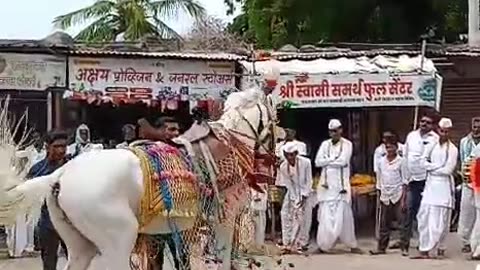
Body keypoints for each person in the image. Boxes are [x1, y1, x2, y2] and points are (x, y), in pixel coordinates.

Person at [138, 116, 188, 270]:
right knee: (154, 261)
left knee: (183, 259)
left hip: (179, 216)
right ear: (159, 131)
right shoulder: (145, 152)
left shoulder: (182, 151)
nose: (176, 133)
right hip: (155, 216)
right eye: (171, 129)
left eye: (178, 130)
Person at [412, 118, 457, 259]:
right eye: (441, 131)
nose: (443, 134)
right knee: (423, 217)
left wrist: (432, 168)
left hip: (443, 187)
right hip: (430, 186)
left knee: (441, 220)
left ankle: (440, 247)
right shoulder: (431, 144)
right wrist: (436, 168)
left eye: (446, 132)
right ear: (438, 130)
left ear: (450, 132)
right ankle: (424, 249)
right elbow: (422, 161)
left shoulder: (453, 149)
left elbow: (448, 170)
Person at [314, 119, 361, 254]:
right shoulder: (324, 144)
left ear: (341, 130)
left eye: (336, 130)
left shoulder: (347, 144)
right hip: (326, 187)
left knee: (345, 217)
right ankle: (323, 245)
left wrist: (327, 161)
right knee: (325, 216)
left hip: (341, 187)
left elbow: (343, 161)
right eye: (331, 131)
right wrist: (332, 161)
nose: (334, 133)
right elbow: (317, 162)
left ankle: (352, 245)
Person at [29, 130, 69, 270]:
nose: (61, 150)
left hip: (70, 222)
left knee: (78, 260)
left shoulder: (72, 167)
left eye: (64, 146)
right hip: (48, 223)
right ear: (47, 147)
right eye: (57, 146)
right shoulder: (37, 170)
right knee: (49, 263)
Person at [400, 114, 439, 256]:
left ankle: (423, 244)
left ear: (433, 125)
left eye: (428, 122)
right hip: (412, 180)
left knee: (424, 214)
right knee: (408, 212)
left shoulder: (435, 139)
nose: (424, 124)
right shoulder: (411, 136)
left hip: (427, 181)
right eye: (422, 121)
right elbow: (405, 158)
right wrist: (405, 180)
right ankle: (404, 244)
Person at [370, 142, 408, 255]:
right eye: (387, 147)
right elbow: (379, 179)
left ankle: (404, 247)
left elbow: (405, 181)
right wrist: (380, 193)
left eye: (391, 147)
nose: (389, 149)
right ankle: (381, 247)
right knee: (384, 224)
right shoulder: (381, 162)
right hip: (385, 195)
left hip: (398, 194)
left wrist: (403, 199)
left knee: (402, 223)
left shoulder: (401, 161)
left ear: (396, 148)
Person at [276, 142, 312, 253]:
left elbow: (308, 181)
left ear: (296, 153)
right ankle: (287, 243)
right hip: (292, 192)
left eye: (291, 154)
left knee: (304, 218)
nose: (289, 157)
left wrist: (303, 196)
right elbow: (288, 184)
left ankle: (302, 243)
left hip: (305, 192)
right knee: (286, 214)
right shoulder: (283, 166)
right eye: (287, 155)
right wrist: (294, 199)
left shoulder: (306, 163)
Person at [458, 117, 480, 253]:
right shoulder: (464, 142)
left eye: (479, 127)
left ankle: (476, 242)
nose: (477, 129)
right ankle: (465, 241)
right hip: (467, 181)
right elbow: (463, 159)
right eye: (475, 127)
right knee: (466, 211)